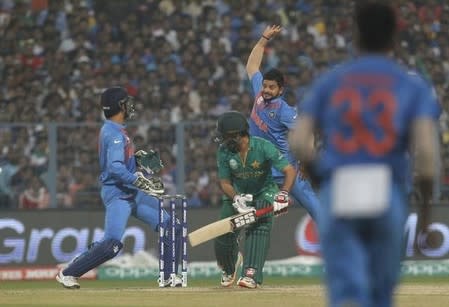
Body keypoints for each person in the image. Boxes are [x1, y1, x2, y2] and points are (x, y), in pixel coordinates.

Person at [288, 1, 440, 306]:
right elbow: (426, 156)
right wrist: (424, 218)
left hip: (340, 187)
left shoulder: (330, 81)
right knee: (381, 294)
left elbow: (299, 139)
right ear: (394, 38)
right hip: (387, 190)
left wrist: (319, 175)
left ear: (355, 35)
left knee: (346, 294)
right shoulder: (412, 86)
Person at [56, 86, 182, 289]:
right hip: (119, 194)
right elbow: (114, 168)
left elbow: (120, 163)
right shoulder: (113, 133)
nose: (130, 106)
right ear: (119, 106)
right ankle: (69, 272)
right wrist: (138, 180)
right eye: (126, 102)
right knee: (111, 245)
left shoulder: (116, 130)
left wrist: (136, 163)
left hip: (132, 193)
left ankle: (168, 276)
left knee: (170, 225)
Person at [245, 24, 320, 221]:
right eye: (265, 86)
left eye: (272, 87)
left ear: (280, 90)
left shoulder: (284, 110)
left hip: (285, 170)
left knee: (316, 209)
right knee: (250, 211)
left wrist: (305, 162)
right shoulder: (259, 95)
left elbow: (307, 133)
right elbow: (252, 66)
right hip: (261, 169)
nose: (266, 90)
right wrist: (263, 39)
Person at [214, 111, 295, 289]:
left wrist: (283, 194)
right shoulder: (224, 152)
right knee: (222, 234)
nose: (223, 141)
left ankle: (251, 273)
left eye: (226, 137)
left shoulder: (263, 147)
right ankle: (230, 266)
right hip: (238, 196)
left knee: (259, 225)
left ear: (237, 135)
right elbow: (225, 183)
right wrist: (236, 198)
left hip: (263, 192)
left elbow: (289, 170)